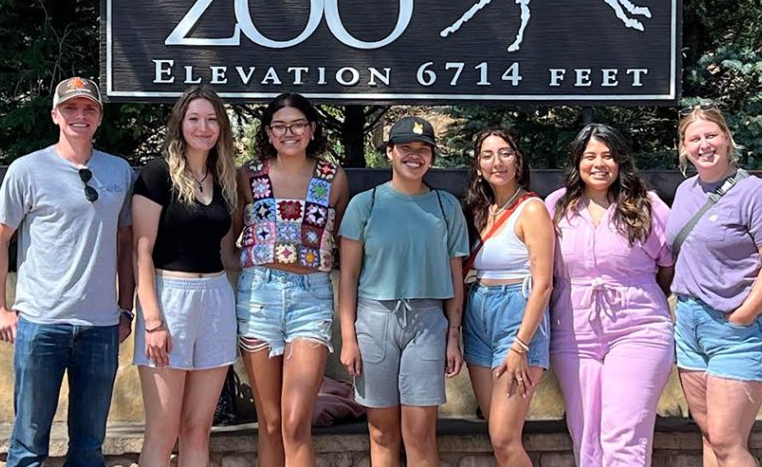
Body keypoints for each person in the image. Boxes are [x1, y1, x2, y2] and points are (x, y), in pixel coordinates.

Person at [0, 77, 136, 467]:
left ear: (99, 118)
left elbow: (126, 245)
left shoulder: (119, 171)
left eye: (89, 108)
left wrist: (125, 309)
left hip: (101, 328)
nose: (80, 116)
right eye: (71, 108)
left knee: (89, 446)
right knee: (28, 444)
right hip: (40, 322)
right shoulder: (27, 169)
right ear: (55, 115)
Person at [667, 105, 762, 467]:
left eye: (711, 136)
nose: (704, 145)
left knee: (727, 441)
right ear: (684, 147)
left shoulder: (758, 194)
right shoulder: (686, 191)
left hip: (735, 327)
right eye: (694, 139)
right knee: (709, 436)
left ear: (727, 138)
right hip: (690, 323)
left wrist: (744, 314)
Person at [339, 116, 469, 467]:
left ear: (432, 156)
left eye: (423, 149)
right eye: (406, 148)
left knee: (420, 431)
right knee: (381, 431)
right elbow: (348, 276)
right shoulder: (364, 205)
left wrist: (453, 334)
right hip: (374, 319)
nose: (415, 156)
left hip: (427, 321)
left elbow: (456, 275)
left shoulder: (446, 206)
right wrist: (348, 336)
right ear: (390, 152)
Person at [546, 123, 675, 467]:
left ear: (620, 161)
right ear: (577, 162)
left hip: (639, 329)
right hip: (574, 333)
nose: (599, 164)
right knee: (586, 437)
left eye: (608, 155)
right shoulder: (556, 206)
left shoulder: (646, 206)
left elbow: (668, 265)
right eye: (589, 156)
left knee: (624, 437)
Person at [236, 93, 349, 467]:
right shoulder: (249, 175)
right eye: (280, 125)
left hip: (311, 297)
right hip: (258, 297)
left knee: (295, 421)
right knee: (269, 422)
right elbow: (229, 234)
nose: (289, 132)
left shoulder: (331, 177)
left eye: (298, 124)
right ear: (268, 132)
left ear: (312, 129)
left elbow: (347, 243)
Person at [131, 86, 240, 467]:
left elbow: (227, 252)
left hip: (215, 299)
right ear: (180, 124)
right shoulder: (157, 173)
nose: (203, 127)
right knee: (163, 431)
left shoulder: (224, 177)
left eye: (212, 119)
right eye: (194, 118)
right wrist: (154, 320)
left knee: (198, 430)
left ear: (221, 128)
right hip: (168, 297)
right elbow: (141, 250)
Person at [462, 129, 554, 467]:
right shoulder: (480, 210)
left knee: (504, 437)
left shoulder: (531, 209)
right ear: (478, 164)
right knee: (495, 431)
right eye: (487, 155)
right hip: (478, 314)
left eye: (505, 153)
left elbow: (544, 283)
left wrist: (520, 346)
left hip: (516, 315)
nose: (496, 162)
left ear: (518, 160)